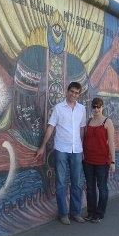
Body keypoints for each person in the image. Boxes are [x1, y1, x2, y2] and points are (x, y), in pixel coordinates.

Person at [36, 81, 86, 225]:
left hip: (76, 150)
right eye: (72, 91)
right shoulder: (58, 108)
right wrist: (42, 147)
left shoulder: (82, 109)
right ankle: (63, 214)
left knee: (76, 183)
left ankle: (75, 212)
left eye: (77, 93)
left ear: (79, 94)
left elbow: (82, 129)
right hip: (61, 150)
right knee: (60, 183)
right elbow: (51, 128)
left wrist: (83, 148)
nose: (74, 94)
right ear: (67, 91)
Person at [83, 97, 115, 223]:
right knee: (90, 187)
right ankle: (91, 212)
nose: (96, 109)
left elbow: (111, 143)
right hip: (88, 161)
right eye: (94, 107)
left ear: (102, 108)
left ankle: (99, 214)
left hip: (102, 161)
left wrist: (113, 161)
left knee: (102, 187)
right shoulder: (89, 121)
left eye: (98, 107)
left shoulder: (107, 122)